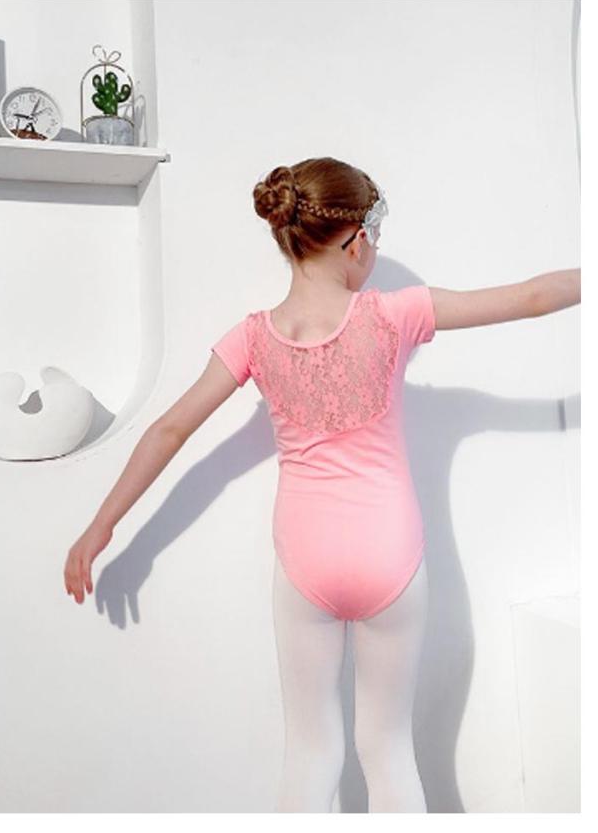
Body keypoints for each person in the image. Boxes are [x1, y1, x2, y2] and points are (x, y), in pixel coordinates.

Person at [63, 156, 580, 813]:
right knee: (389, 751)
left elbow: (170, 430)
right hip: (391, 556)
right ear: (356, 241)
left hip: (306, 562)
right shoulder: (396, 314)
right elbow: (531, 297)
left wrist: (101, 526)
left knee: (310, 754)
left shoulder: (252, 337)